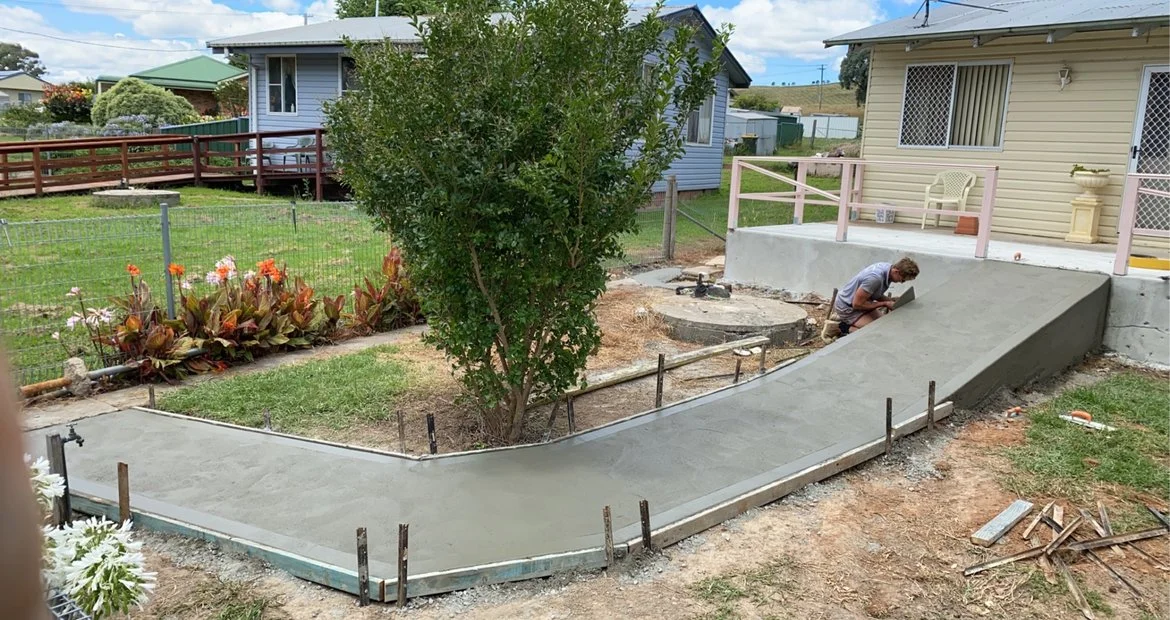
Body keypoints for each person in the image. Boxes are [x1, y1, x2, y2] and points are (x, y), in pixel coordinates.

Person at [834, 257, 919, 335]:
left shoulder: (888, 270)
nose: (902, 282)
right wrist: (884, 304)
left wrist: (891, 301)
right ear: (896, 271)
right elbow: (857, 304)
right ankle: (845, 328)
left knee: (884, 324)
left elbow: (875, 293)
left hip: (861, 302)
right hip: (847, 307)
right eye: (902, 280)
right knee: (876, 331)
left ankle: (855, 324)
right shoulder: (875, 278)